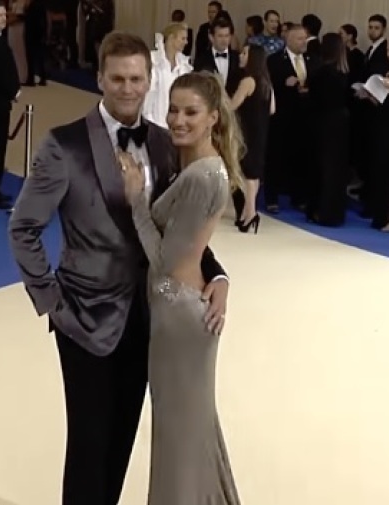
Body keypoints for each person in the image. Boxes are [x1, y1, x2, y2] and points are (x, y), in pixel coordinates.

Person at [7, 31, 230, 505]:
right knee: (88, 449)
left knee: (122, 446)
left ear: (149, 80)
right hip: (84, 319)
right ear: (100, 79)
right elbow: (22, 227)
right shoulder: (63, 145)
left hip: (151, 321)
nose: (128, 88)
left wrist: (219, 276)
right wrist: (52, 303)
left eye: (136, 78)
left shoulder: (169, 144)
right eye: (118, 78)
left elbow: (181, 229)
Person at [117, 71, 242, 504]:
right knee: (188, 437)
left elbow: (167, 262)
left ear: (213, 118)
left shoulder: (203, 175)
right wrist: (221, 277)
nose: (178, 119)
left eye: (191, 112)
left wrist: (135, 202)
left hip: (178, 318)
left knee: (179, 443)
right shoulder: (197, 165)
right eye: (173, 109)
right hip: (180, 313)